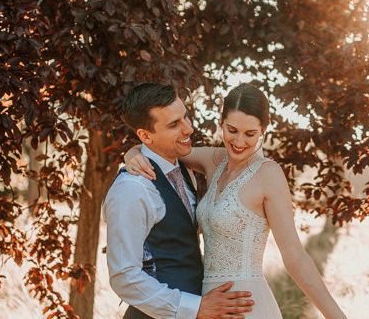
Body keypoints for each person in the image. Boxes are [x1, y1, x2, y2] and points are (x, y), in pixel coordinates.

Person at [125, 82, 349, 319]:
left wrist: (336, 316)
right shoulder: (214, 160)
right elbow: (162, 147)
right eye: (232, 130)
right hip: (209, 304)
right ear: (220, 123)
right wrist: (132, 154)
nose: (239, 142)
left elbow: (295, 257)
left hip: (246, 305)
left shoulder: (268, 174)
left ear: (263, 129)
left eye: (250, 134)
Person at [103, 82, 255, 319]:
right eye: (174, 124)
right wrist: (196, 308)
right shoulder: (131, 189)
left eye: (185, 117)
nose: (188, 129)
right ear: (145, 135)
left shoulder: (181, 169)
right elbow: (124, 277)